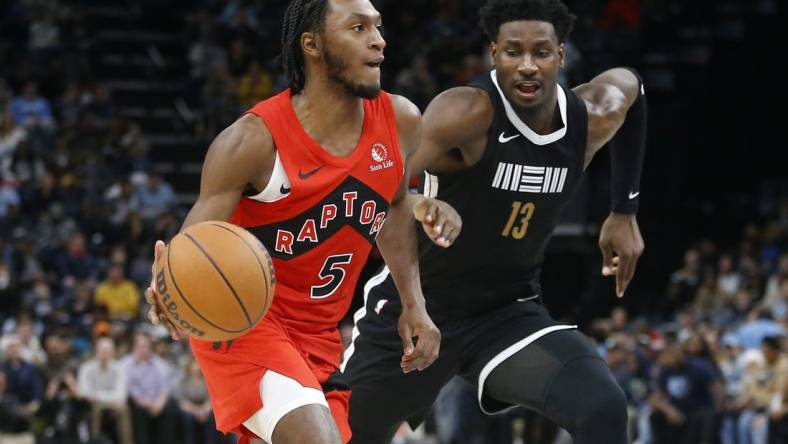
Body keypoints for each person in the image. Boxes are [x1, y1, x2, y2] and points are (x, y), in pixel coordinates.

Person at [145, 1, 458, 443]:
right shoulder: (252, 142)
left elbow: (394, 206)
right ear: (311, 44)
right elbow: (193, 246)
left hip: (319, 333)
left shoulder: (401, 120)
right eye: (357, 27)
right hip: (244, 319)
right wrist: (168, 286)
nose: (379, 40)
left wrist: (414, 302)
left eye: (378, 27)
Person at [342, 1, 647, 443]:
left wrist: (624, 211)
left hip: (506, 313)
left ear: (561, 56)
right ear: (493, 55)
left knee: (602, 406)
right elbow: (378, 187)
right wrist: (421, 204)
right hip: (416, 309)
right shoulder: (465, 112)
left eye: (541, 52)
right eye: (512, 52)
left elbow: (634, 87)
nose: (526, 65)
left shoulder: (590, 117)